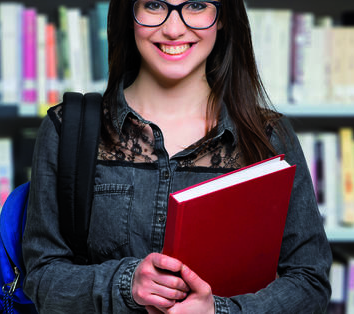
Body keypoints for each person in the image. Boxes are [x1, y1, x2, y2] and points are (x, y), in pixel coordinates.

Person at [22, 0, 332, 313]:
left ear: (222, 17)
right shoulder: (68, 131)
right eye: (154, 5)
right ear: (128, 15)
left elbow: (310, 281)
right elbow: (42, 277)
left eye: (196, 5)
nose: (173, 29)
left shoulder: (268, 136)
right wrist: (127, 284)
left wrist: (218, 311)